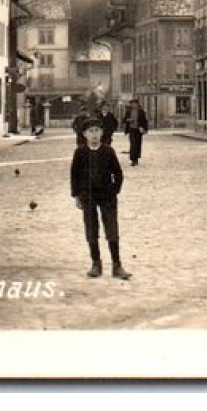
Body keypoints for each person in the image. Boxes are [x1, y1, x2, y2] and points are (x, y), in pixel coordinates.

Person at [70, 120, 129, 279]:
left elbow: (118, 173)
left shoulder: (108, 152)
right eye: (90, 131)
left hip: (107, 196)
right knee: (91, 229)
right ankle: (96, 263)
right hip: (88, 196)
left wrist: (114, 191)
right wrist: (76, 195)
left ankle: (117, 265)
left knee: (111, 229)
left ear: (102, 133)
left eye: (97, 130)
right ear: (84, 135)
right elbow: (74, 175)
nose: (94, 134)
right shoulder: (80, 152)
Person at [122, 99, 149, 166]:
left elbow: (144, 121)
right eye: (132, 104)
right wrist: (128, 120)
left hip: (138, 130)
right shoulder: (129, 112)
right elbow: (124, 120)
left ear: (137, 104)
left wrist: (145, 129)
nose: (133, 105)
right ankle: (133, 159)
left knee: (137, 145)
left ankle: (136, 158)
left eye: (134, 104)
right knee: (132, 144)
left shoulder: (141, 112)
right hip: (131, 130)